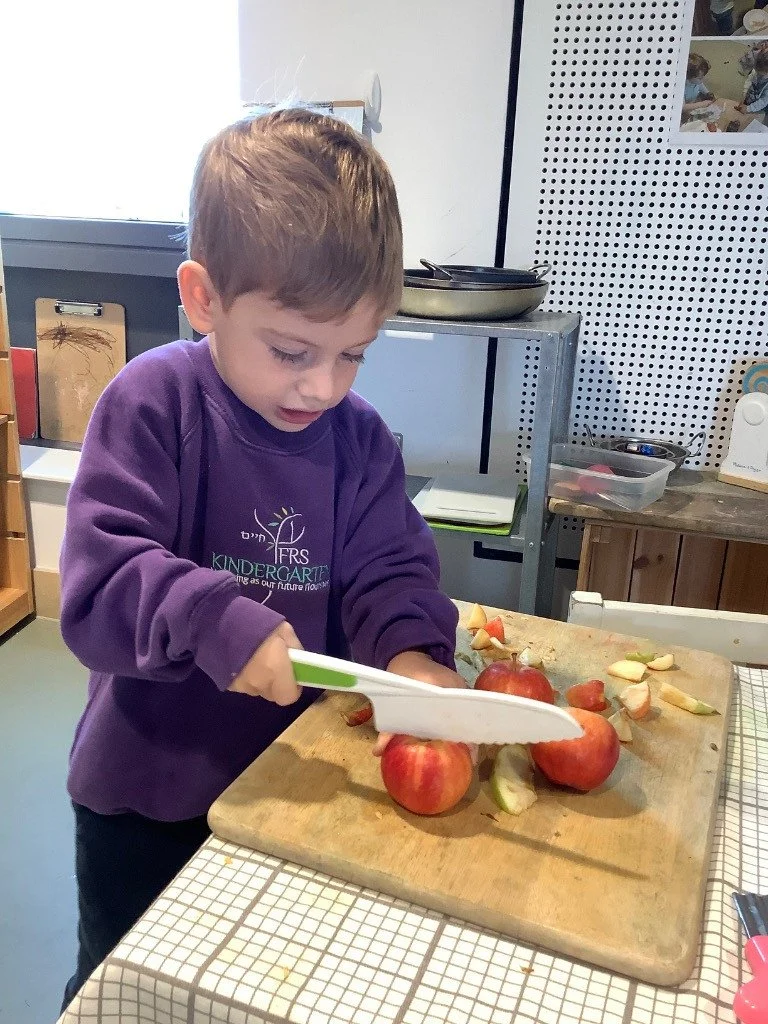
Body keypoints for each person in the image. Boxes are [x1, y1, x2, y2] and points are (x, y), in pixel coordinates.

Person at [59, 107, 466, 1010]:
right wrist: (216, 620)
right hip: (148, 797)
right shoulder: (151, 403)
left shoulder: (356, 440)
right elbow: (98, 584)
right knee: (129, 993)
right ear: (203, 297)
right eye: (292, 351)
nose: (322, 386)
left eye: (353, 354)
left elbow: (390, 568)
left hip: (295, 791)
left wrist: (409, 658)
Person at [683, 53, 716, 122]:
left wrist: (707, 93)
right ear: (688, 76)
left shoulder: (696, 82)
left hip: (693, 105)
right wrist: (702, 104)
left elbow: (700, 85)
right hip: (683, 112)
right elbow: (683, 107)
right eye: (700, 78)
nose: (702, 79)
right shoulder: (681, 87)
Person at [738, 50, 768, 121]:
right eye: (757, 72)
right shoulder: (756, 71)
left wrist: (749, 109)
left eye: (761, 74)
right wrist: (744, 95)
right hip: (750, 98)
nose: (758, 75)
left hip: (760, 107)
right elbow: (749, 81)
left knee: (753, 122)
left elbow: (764, 101)